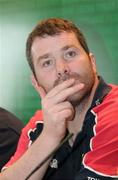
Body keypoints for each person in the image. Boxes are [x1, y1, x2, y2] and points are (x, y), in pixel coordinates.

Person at [1, 18, 118, 180]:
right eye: (47, 62)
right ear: (36, 83)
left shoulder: (114, 112)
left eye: (70, 54)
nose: (62, 69)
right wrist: (50, 136)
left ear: (92, 62)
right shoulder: (39, 124)